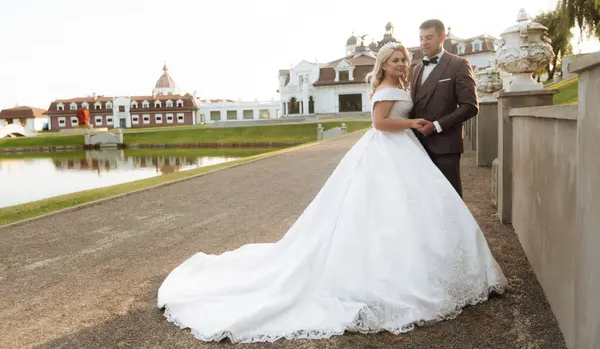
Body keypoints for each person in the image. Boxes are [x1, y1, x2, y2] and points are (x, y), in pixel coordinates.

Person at [157, 42, 506, 344]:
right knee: (381, 212)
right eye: (395, 60)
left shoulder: (402, 84)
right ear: (383, 64)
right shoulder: (386, 89)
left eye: (403, 59)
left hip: (405, 152)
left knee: (412, 211)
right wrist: (412, 123)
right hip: (388, 148)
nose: (401, 64)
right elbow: (380, 124)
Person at [410, 19, 479, 197]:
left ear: (442, 37)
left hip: (445, 147)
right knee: (425, 198)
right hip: (417, 147)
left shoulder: (458, 64)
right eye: (421, 38)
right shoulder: (416, 68)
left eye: (429, 37)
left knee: (450, 199)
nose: (424, 42)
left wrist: (436, 126)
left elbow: (470, 106)